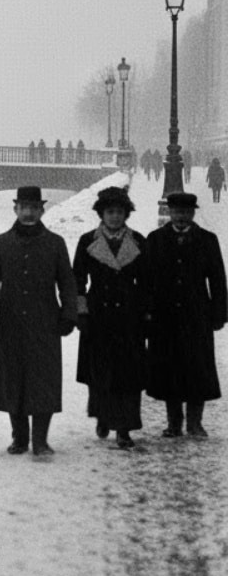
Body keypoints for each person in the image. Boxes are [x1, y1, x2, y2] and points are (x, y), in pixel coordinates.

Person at [0, 186, 78, 457]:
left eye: (34, 208)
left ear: (42, 210)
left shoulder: (55, 243)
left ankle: (40, 440)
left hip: (45, 322)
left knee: (43, 380)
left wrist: (68, 315)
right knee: (12, 379)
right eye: (24, 207)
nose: (28, 213)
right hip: (10, 323)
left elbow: (67, 283)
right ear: (15, 209)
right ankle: (19, 437)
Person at [72, 186, 149, 449]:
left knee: (129, 375)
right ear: (101, 214)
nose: (115, 217)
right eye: (110, 212)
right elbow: (77, 279)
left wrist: (146, 313)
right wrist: (81, 311)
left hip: (129, 316)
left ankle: (125, 428)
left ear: (126, 214)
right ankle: (103, 416)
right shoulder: (87, 241)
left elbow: (148, 282)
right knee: (100, 372)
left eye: (119, 212)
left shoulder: (138, 241)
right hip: (98, 316)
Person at [146, 192, 227, 438]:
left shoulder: (207, 240)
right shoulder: (156, 239)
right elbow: (147, 279)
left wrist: (219, 313)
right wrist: (147, 312)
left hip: (196, 315)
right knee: (169, 368)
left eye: (186, 212)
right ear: (169, 213)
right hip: (165, 315)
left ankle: (195, 423)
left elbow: (217, 279)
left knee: (197, 368)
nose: (181, 216)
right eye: (177, 212)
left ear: (192, 213)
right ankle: (174, 423)